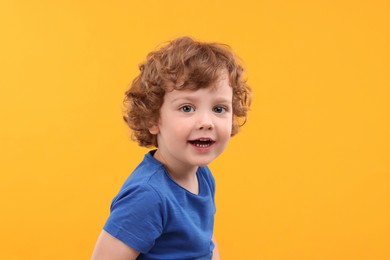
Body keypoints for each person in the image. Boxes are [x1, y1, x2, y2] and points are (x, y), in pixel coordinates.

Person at [92, 36, 251, 260]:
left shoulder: (202, 176)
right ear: (153, 119)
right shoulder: (148, 196)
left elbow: (204, 239)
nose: (207, 121)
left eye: (219, 108)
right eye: (187, 108)